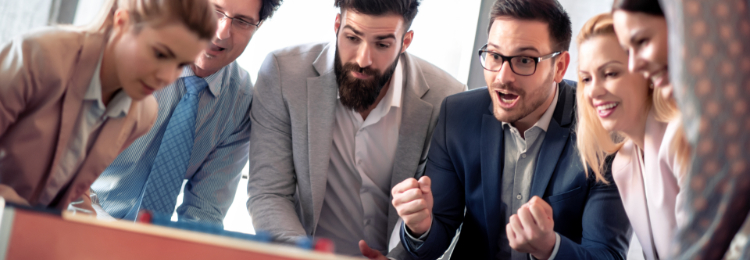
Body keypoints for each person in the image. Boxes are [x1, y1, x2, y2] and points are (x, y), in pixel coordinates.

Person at [390, 0, 632, 259]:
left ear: (559, 67)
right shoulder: (458, 116)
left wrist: (551, 247)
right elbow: (435, 239)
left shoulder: (602, 124)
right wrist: (421, 227)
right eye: (495, 56)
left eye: (525, 60)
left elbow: (607, 254)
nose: (503, 76)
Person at [247, 0, 466, 257]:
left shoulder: (446, 100)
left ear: (405, 42)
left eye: (382, 44)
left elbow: (438, 223)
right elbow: (269, 193)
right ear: (337, 26)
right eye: (352, 37)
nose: (363, 59)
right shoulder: (283, 73)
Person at [0, 0, 214, 210]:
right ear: (122, 22)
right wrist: (19, 218)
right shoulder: (38, 55)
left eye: (181, 64)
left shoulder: (142, 115)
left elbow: (70, 191)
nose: (167, 77)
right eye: (160, 54)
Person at [89, 0, 282, 225]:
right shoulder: (130, 54)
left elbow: (204, 211)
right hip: (75, 218)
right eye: (214, 10)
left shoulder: (241, 102)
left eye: (242, 21)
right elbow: (63, 172)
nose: (221, 33)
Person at [637, 0, 750, 259]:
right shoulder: (622, 159)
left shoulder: (689, 134)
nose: (635, 64)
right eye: (585, 77)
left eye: (641, 42)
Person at [576, 13, 687, 260]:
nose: (592, 90)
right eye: (586, 79)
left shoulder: (683, 138)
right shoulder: (623, 164)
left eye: (611, 73)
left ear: (646, 69)